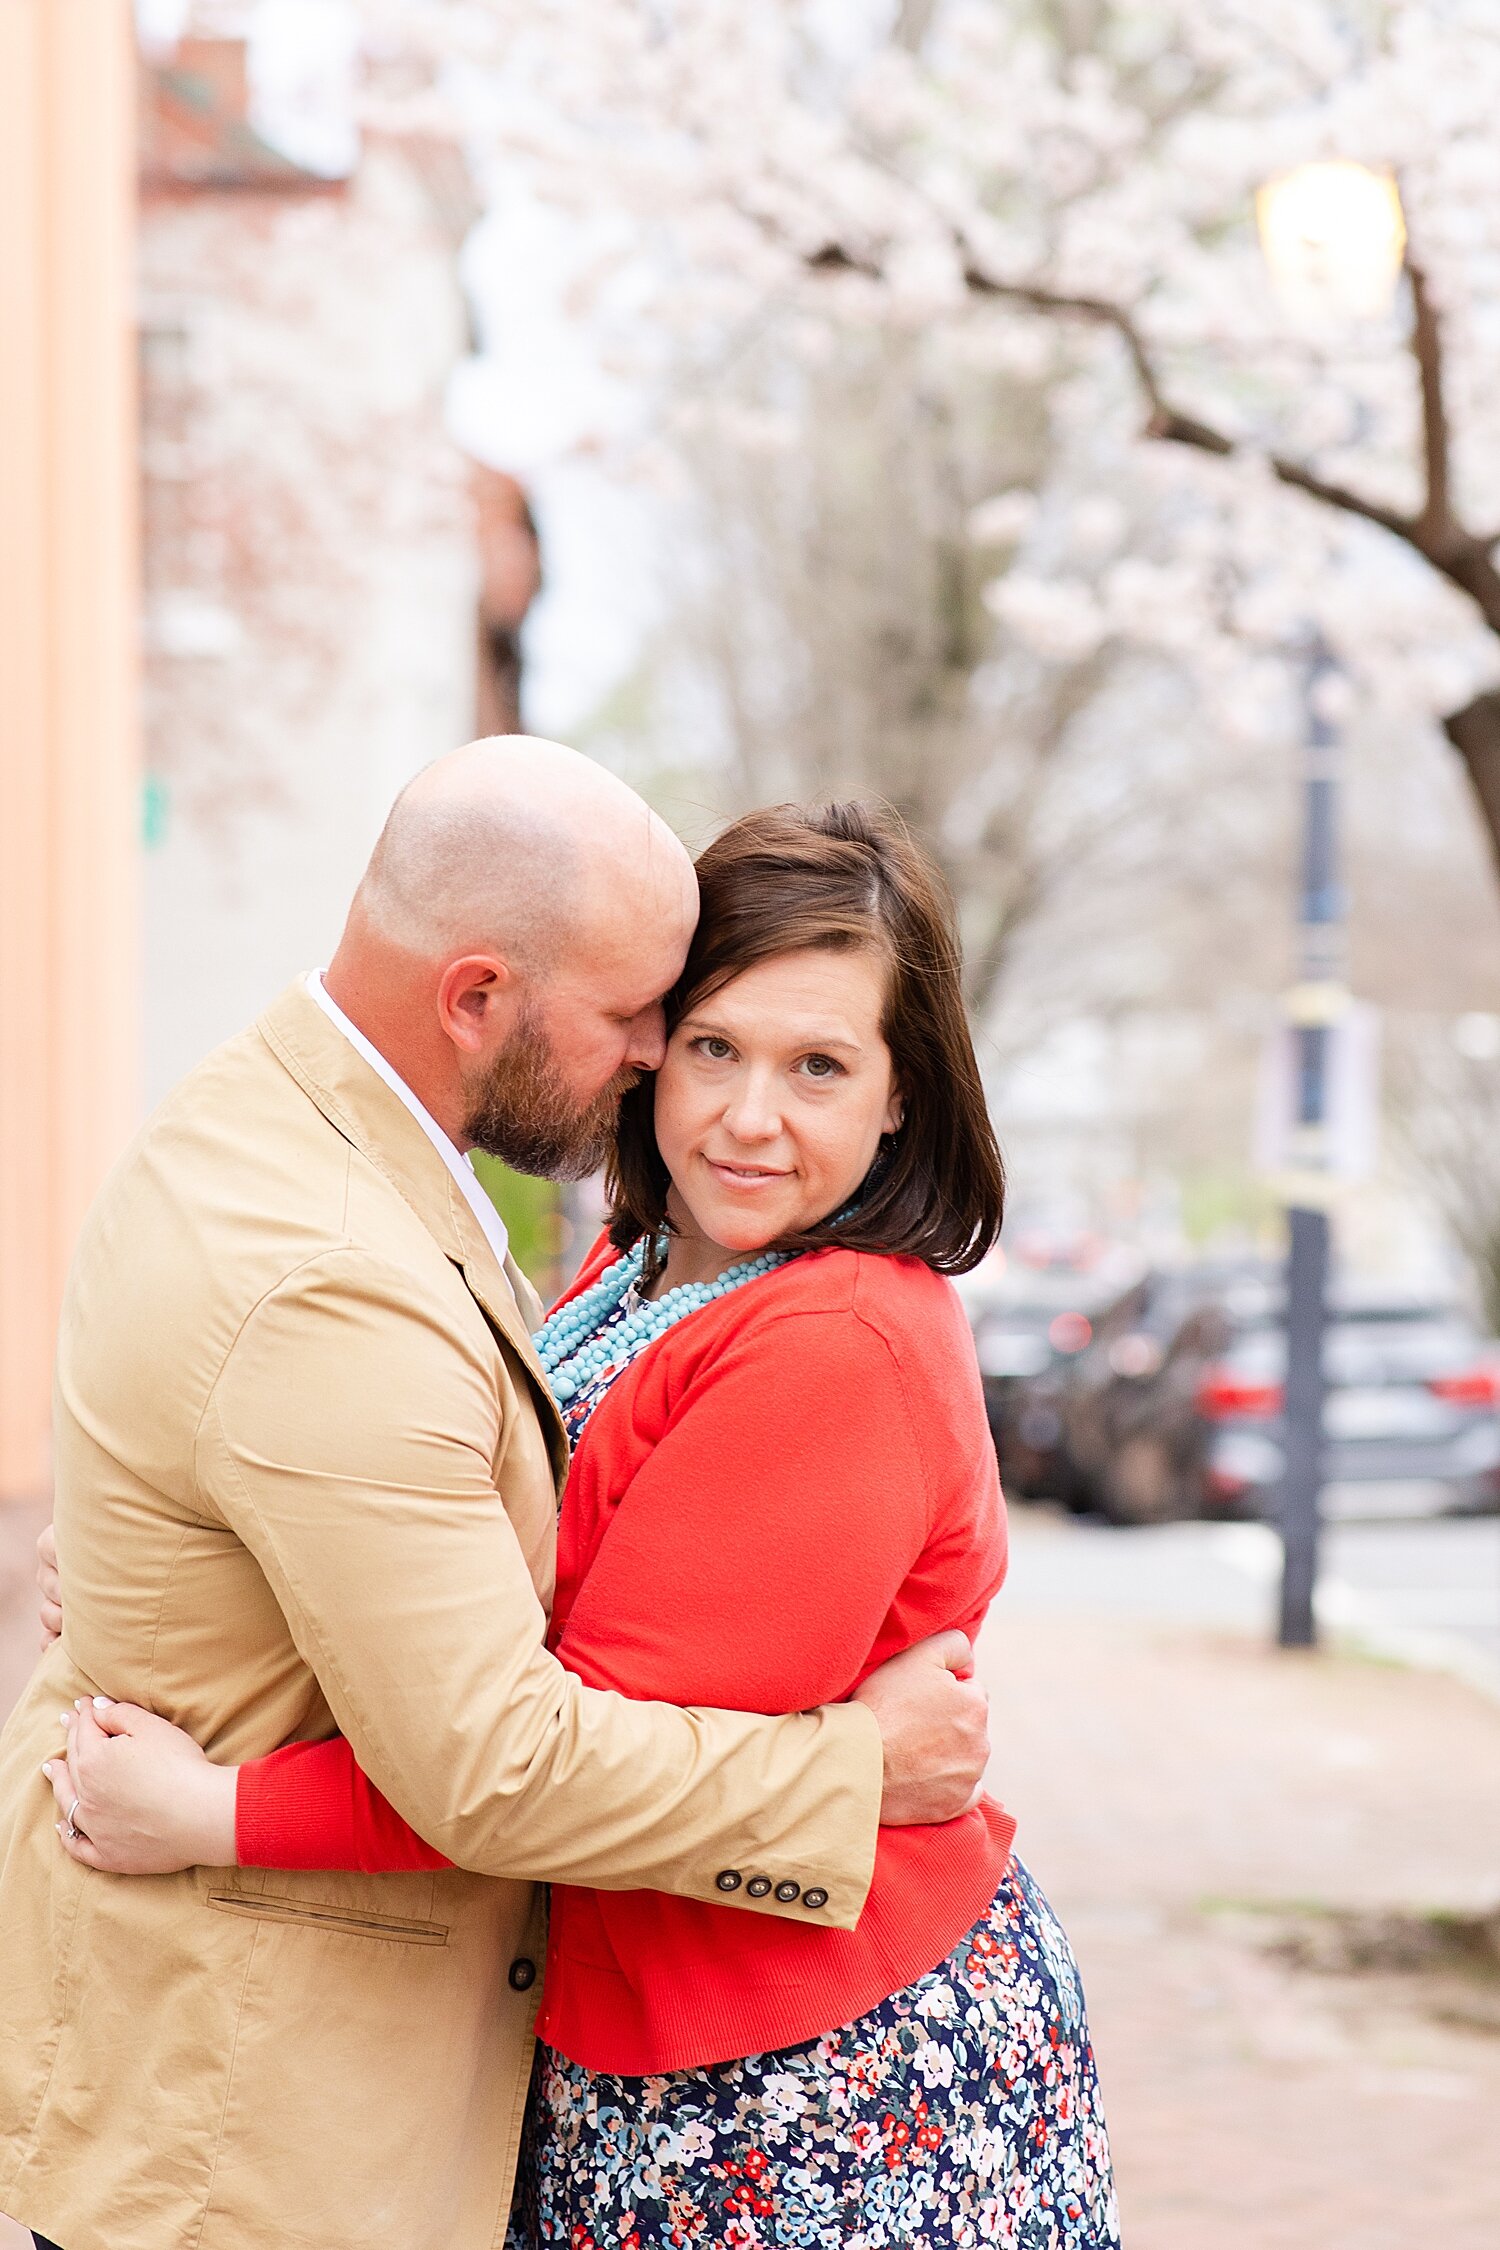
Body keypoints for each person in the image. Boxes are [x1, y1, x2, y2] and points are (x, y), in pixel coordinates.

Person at [42, 801, 1119, 2248]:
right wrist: (214, 1567)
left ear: (902, 1094)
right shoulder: (642, 1259)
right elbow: (468, 1560)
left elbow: (542, 1758)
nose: (749, 1115)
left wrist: (216, 1813)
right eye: (711, 1045)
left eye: (819, 1066)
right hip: (635, 2046)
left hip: (803, 2084)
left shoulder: (836, 1337)